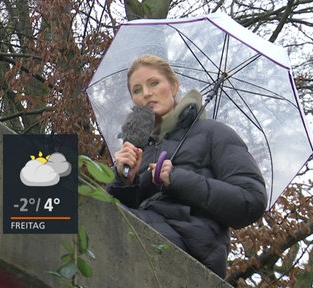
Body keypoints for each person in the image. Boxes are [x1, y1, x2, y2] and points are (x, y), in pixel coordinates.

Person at [107, 54, 267, 278]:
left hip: (195, 248)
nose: (146, 93)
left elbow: (251, 201)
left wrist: (177, 178)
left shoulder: (213, 133)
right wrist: (125, 181)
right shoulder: (141, 148)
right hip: (147, 231)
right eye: (137, 90)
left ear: (173, 86)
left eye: (154, 83)